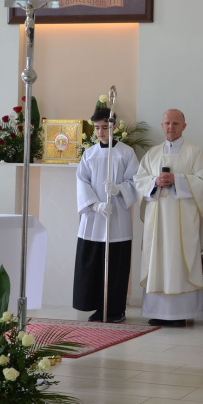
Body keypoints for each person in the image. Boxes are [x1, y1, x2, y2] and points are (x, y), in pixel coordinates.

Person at [135, 109, 203, 327]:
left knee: (179, 262)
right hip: (157, 222)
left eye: (176, 123)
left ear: (184, 126)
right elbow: (139, 182)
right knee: (157, 261)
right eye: (167, 123)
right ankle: (157, 311)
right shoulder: (152, 154)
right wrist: (154, 182)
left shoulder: (195, 153)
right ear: (162, 126)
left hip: (183, 224)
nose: (171, 127)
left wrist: (177, 180)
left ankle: (180, 313)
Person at [73, 107, 139, 323]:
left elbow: (136, 181)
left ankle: (115, 310)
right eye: (97, 128)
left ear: (114, 127)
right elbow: (82, 181)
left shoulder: (125, 153)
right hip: (94, 217)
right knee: (93, 263)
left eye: (104, 127)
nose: (100, 132)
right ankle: (96, 307)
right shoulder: (90, 154)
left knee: (116, 265)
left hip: (117, 217)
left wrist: (120, 189)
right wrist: (95, 204)